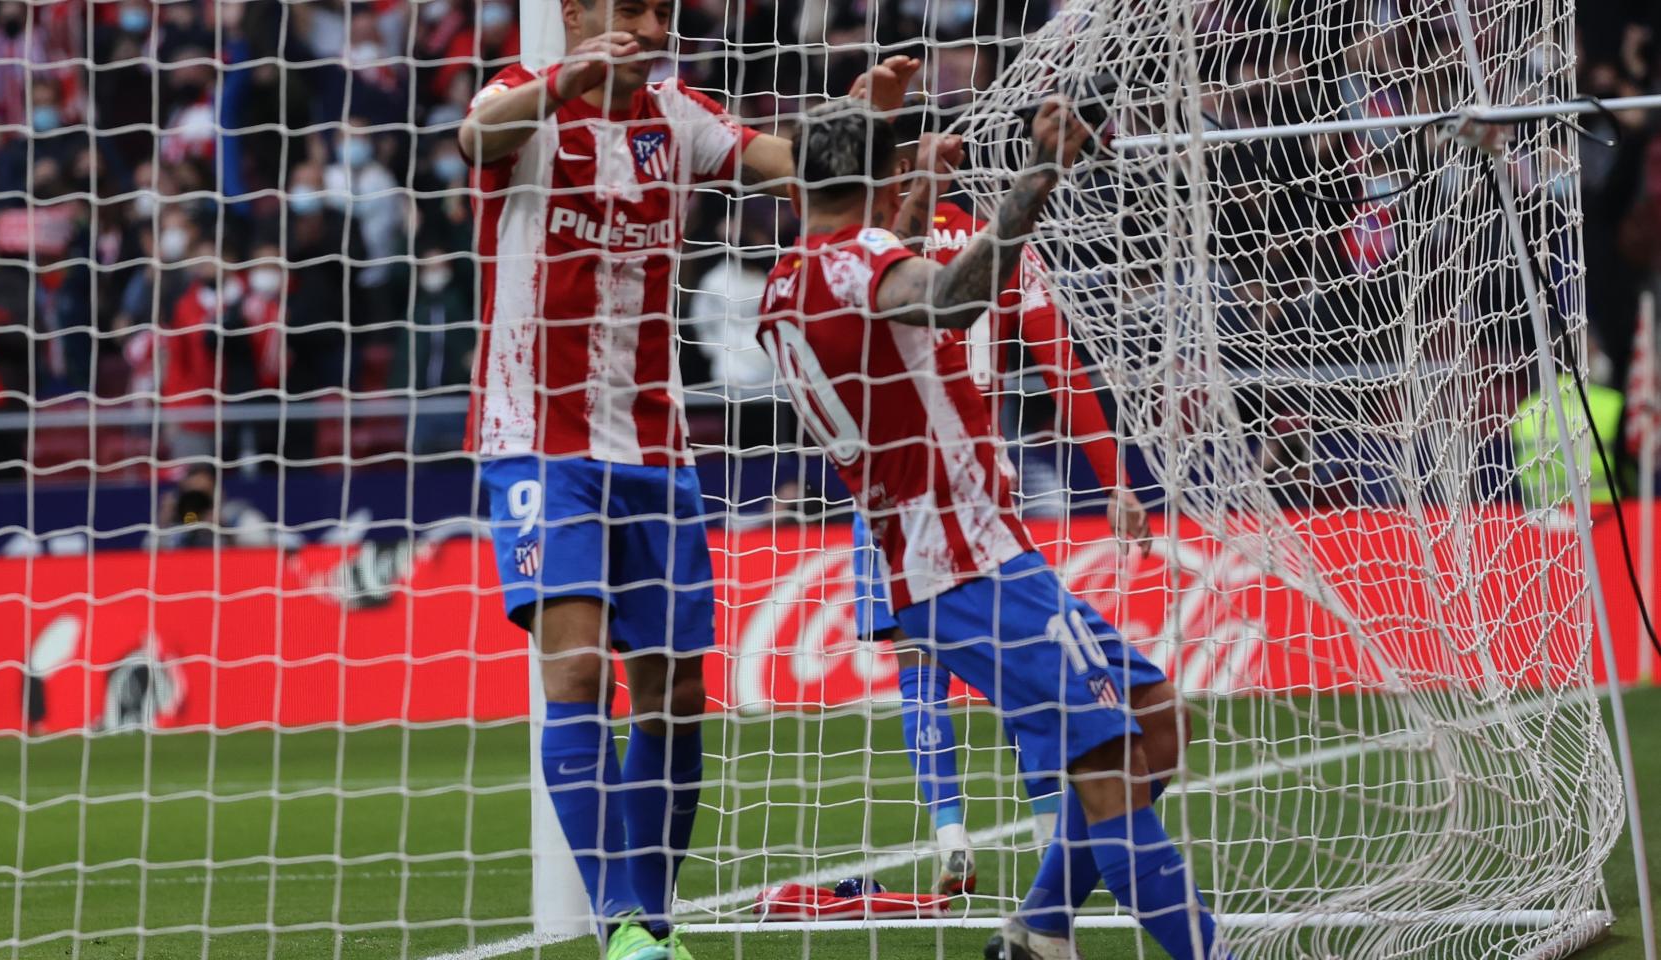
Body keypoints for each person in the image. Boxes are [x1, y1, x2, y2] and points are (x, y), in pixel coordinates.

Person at [454, 3, 919, 957]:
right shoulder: (522, 97)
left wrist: (859, 122)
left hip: (657, 442)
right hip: (538, 435)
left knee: (671, 693)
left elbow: (796, 167)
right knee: (579, 669)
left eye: (658, 10)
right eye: (625, 7)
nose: (647, 23)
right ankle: (620, 925)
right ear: (575, 14)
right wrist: (573, 75)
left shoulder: (682, 115)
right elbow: (474, 135)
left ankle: (651, 925)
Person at [757, 100, 1223, 960]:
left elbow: (880, 296)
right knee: (1113, 771)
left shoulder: (787, 279)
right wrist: (1039, 173)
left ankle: (1039, 930)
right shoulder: (867, 265)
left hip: (959, 551)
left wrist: (911, 196)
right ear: (883, 179)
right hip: (964, 562)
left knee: (1160, 720)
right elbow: (947, 300)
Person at [853, 181, 1158, 894]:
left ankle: (950, 831)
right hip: (983, 479)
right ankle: (1053, 837)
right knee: (1027, 666)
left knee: (918, 665)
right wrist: (1115, 479)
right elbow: (1064, 369)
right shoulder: (1003, 244)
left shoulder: (869, 253)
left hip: (894, 485)